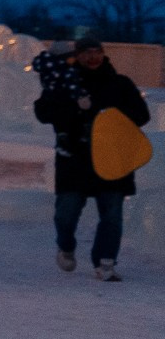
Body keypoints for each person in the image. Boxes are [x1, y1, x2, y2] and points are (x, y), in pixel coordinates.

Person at [32, 38, 150, 280]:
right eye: (87, 52)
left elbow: (142, 115)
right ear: (77, 55)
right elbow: (43, 113)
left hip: (112, 157)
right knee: (65, 214)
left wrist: (111, 117)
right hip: (74, 159)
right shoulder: (62, 81)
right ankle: (66, 246)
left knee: (112, 215)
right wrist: (70, 107)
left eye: (97, 52)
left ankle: (105, 263)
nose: (93, 57)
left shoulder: (120, 84)